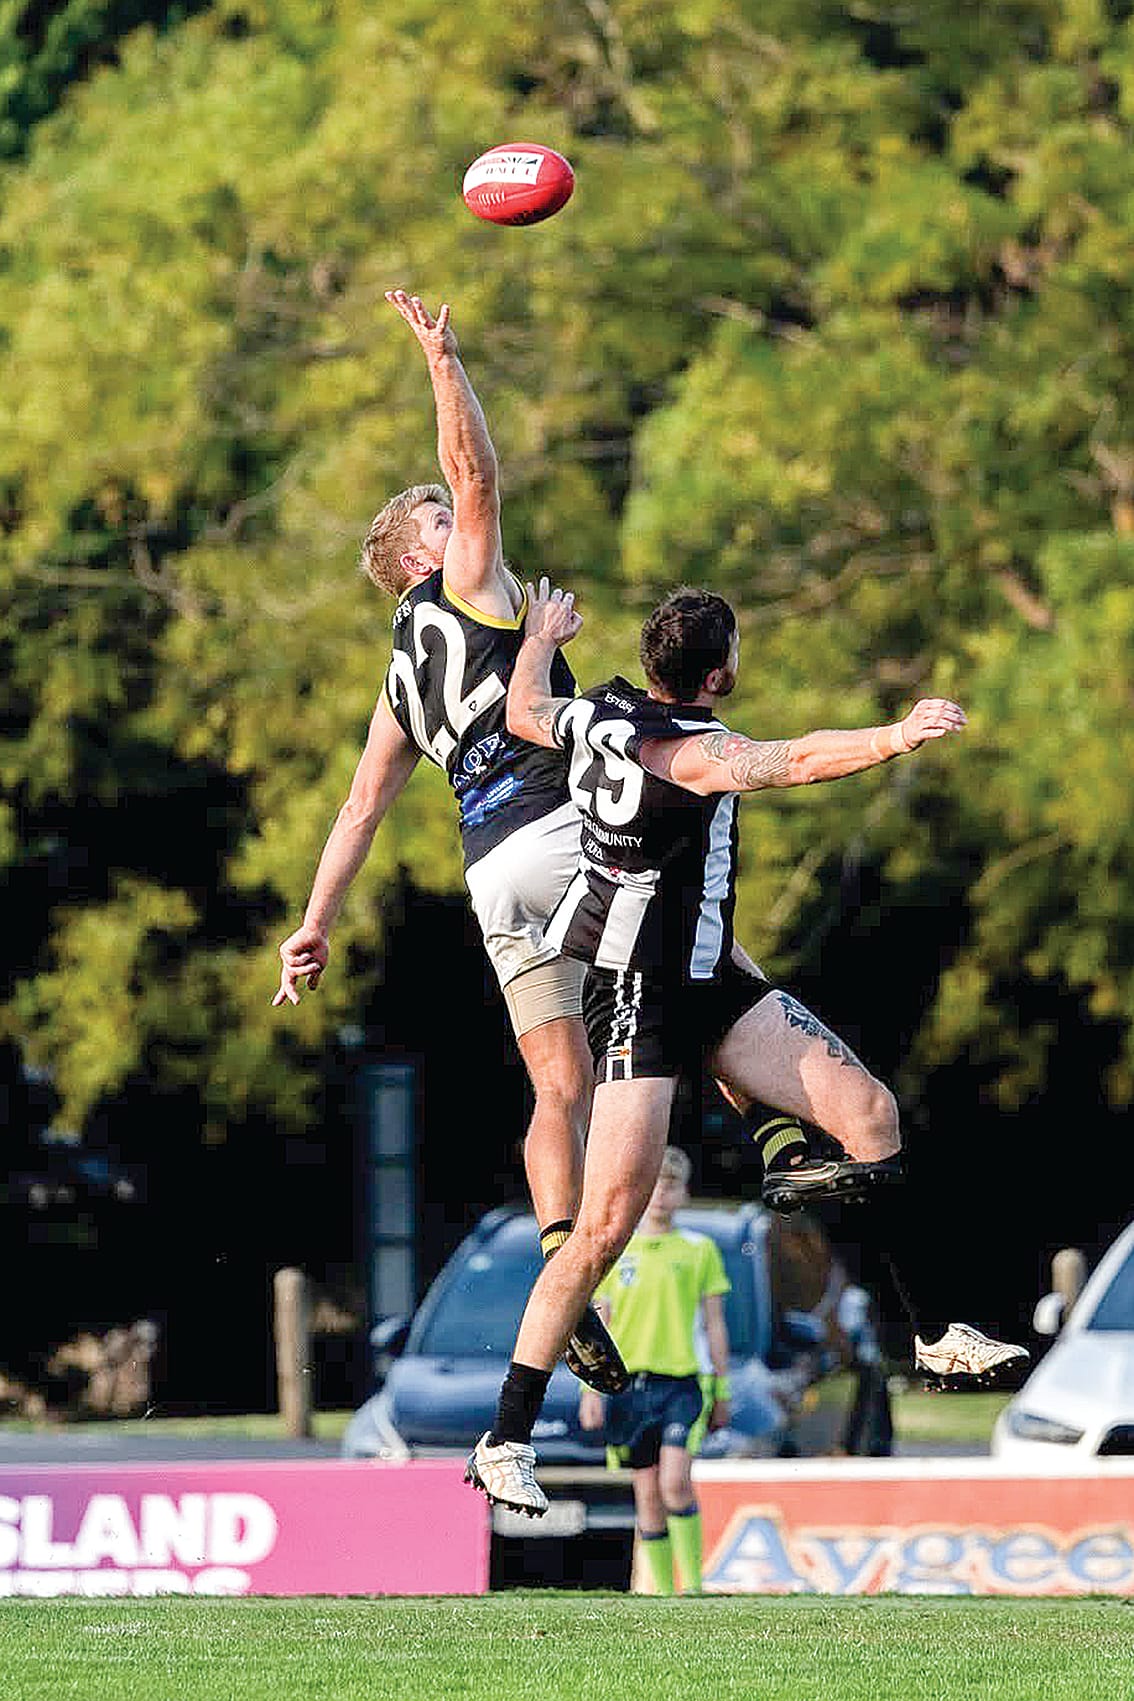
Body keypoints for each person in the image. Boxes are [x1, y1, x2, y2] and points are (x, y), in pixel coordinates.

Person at [465, 582, 1025, 1515]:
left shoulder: (604, 710)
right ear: (720, 675)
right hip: (639, 991)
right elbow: (796, 757)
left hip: (708, 978)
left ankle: (931, 1334)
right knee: (603, 1229)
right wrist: (895, 734)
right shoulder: (696, 753)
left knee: (872, 1113)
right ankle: (505, 1436)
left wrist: (539, 636)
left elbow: (525, 711)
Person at [272, 293, 625, 1397]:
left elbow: (358, 812)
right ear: (419, 553)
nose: (454, 520)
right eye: (435, 520)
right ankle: (789, 1129)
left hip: (491, 880)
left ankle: (566, 1254)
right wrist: (442, 360)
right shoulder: (466, 585)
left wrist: (313, 926)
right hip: (562, 828)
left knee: (556, 1086)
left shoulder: (396, 676)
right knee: (696, 980)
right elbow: (475, 473)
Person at [579, 1145, 730, 1596]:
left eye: (672, 1185)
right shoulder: (615, 1251)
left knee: (674, 1482)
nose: (662, 1195)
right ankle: (665, 1597)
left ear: (684, 1193)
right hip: (627, 1387)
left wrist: (722, 1387)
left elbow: (713, 1322)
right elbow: (598, 1325)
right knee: (646, 1494)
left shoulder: (700, 1250)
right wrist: (591, 1390)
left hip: (682, 1383)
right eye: (656, 1185)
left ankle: (696, 1590)